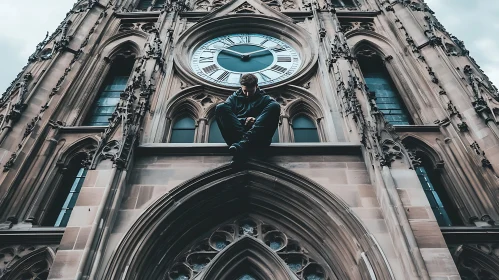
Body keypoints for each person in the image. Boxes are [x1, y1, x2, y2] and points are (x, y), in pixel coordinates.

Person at [215, 73, 280, 161]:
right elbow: (228, 119)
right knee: (221, 107)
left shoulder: (266, 100)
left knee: (275, 106)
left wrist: (255, 120)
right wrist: (244, 120)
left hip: (258, 139)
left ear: (256, 86)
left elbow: (267, 122)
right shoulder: (233, 99)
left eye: (251, 91)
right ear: (241, 86)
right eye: (245, 91)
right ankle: (244, 142)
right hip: (236, 137)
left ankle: (243, 144)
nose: (248, 94)